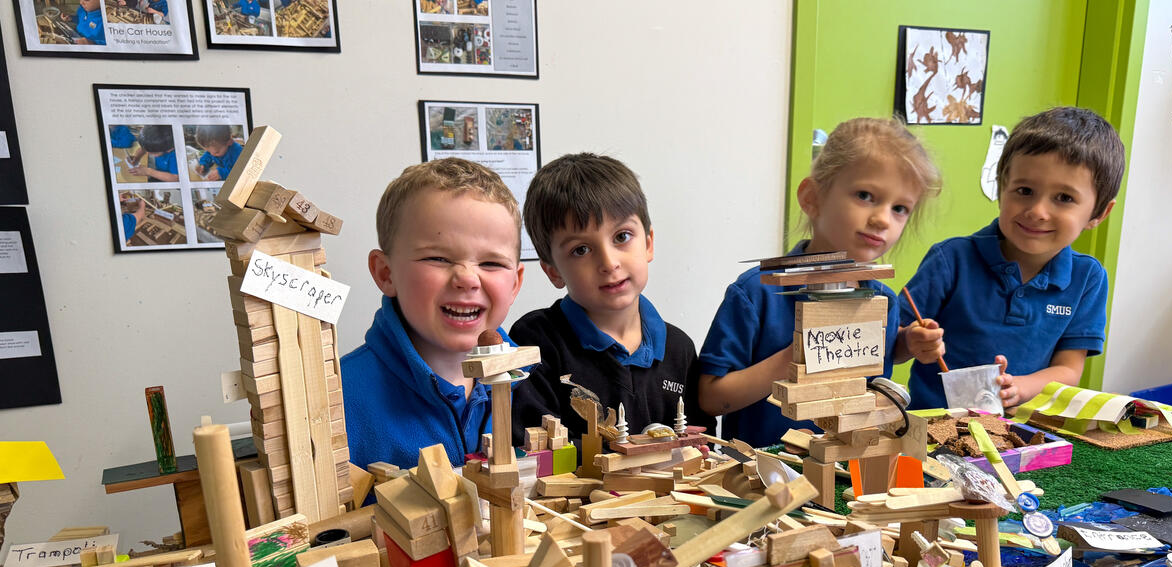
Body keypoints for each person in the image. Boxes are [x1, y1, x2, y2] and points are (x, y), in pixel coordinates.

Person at [698, 117, 942, 446]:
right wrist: (793, 360)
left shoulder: (883, 299)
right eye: (866, 195)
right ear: (812, 198)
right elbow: (711, 399)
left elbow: (874, 369)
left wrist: (904, 344)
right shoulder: (756, 294)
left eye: (900, 208)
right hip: (761, 479)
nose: (883, 218)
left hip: (851, 475)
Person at [898, 106, 1123, 410]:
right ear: (1002, 186)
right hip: (931, 432)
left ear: (1098, 213)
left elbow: (1070, 369)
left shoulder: (1088, 278)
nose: (1038, 211)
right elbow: (892, 344)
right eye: (1025, 190)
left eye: (1064, 198)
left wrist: (1021, 387)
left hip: (1020, 438)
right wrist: (912, 341)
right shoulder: (950, 260)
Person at [510, 153, 708, 443]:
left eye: (622, 236)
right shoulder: (535, 342)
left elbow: (701, 437)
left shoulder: (680, 349)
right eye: (581, 250)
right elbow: (531, 451)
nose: (609, 262)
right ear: (553, 271)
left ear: (649, 243)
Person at [342, 158, 524, 470]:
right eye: (438, 258)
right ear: (386, 273)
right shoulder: (335, 400)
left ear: (515, 283)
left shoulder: (532, 382)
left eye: (491, 263)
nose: (467, 278)